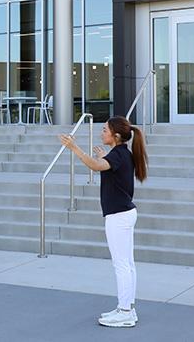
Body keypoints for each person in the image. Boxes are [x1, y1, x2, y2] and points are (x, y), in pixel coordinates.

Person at [60, 116, 148, 328]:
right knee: (127, 264)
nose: (101, 132)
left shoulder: (118, 155)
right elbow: (105, 165)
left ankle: (125, 312)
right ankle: (127, 308)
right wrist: (103, 156)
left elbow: (96, 166)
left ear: (116, 135)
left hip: (119, 216)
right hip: (123, 213)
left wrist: (74, 148)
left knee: (121, 265)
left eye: (104, 130)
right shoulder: (120, 154)